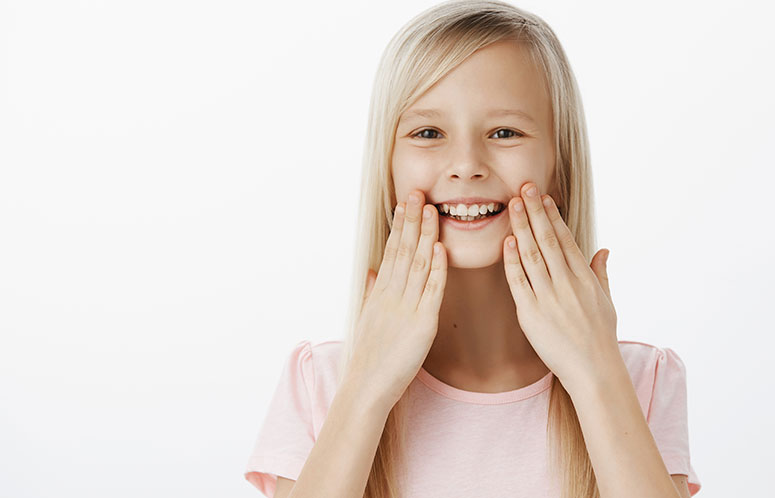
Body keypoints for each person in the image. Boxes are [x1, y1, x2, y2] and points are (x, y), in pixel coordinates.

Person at [244, 1, 701, 496]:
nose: (466, 165)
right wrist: (367, 387)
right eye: (428, 133)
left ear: (560, 167)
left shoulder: (641, 380)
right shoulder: (321, 381)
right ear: (388, 168)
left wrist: (595, 374)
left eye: (505, 132)